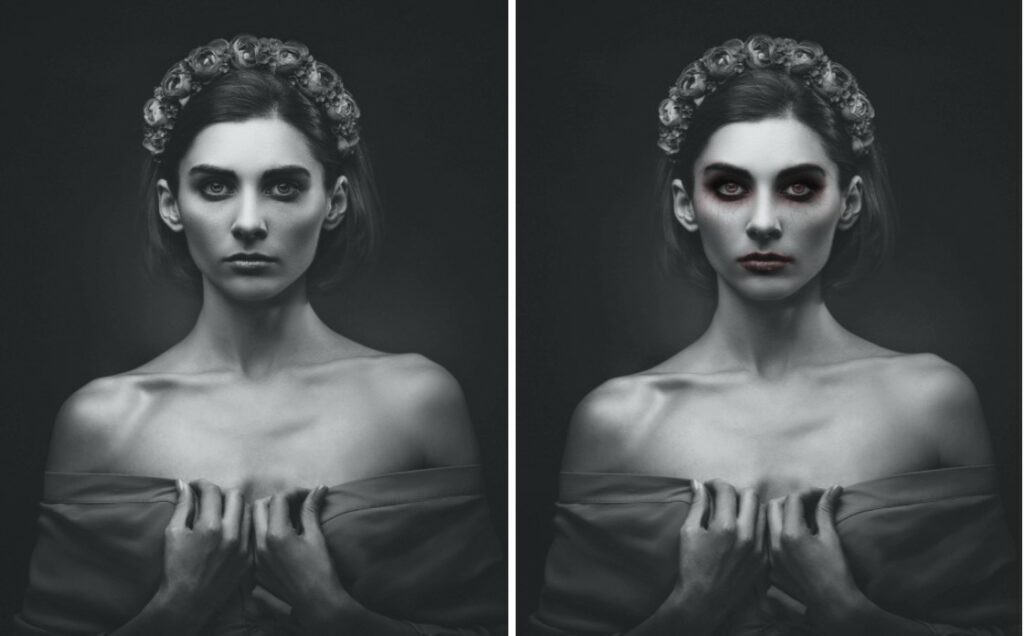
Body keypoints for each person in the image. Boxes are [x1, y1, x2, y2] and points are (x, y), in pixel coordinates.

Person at [15, 35, 505, 636]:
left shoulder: (417, 402)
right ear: (172, 205)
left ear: (334, 201)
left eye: (283, 187)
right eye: (216, 187)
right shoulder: (101, 421)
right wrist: (177, 609)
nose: (249, 223)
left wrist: (337, 616)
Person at [531, 35, 1015, 635]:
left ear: (849, 201)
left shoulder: (932, 402)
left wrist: (852, 618)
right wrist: (693, 610)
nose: (763, 223)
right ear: (687, 204)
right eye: (730, 187)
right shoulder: (617, 420)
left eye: (799, 186)